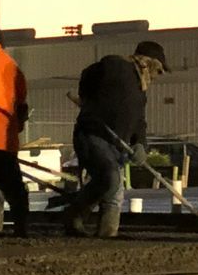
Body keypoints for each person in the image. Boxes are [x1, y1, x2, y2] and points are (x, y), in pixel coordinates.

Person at [68, 40, 169, 239]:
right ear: (149, 64)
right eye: (159, 71)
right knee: (110, 179)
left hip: (117, 145)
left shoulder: (140, 92)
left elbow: (139, 121)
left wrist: (140, 143)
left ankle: (107, 236)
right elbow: (89, 74)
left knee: (115, 195)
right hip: (94, 135)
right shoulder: (116, 67)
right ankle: (74, 215)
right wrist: (88, 101)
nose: (158, 77)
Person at [0, 36, 30, 236]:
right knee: (13, 185)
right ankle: (21, 228)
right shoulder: (11, 66)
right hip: (2, 135)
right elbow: (21, 104)